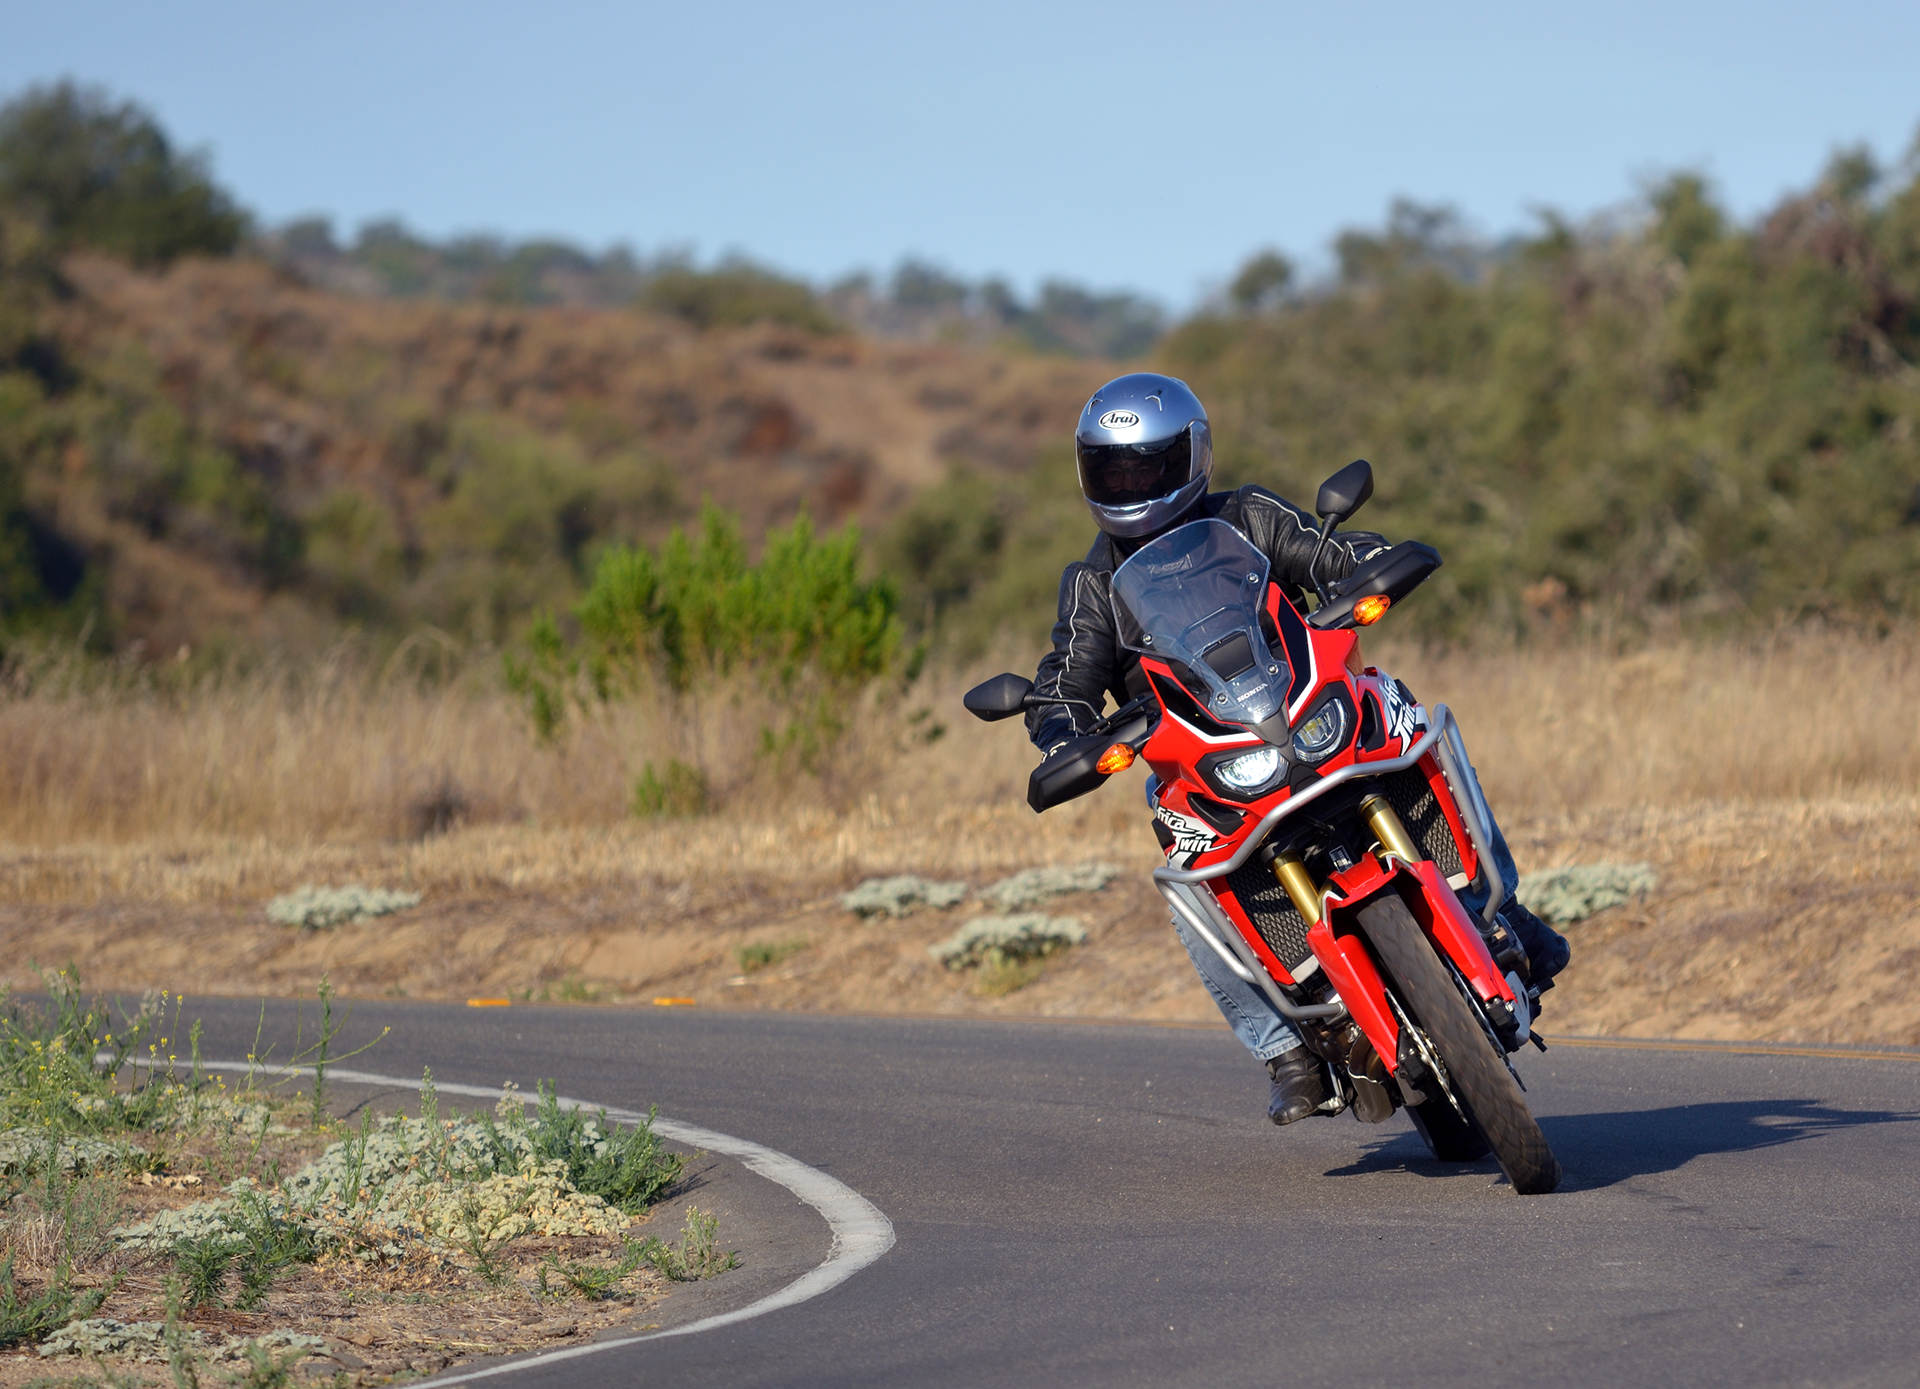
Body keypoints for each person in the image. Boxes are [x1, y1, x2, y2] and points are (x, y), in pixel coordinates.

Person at [1025, 372, 1570, 1126]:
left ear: (1190, 455)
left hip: (1303, 704)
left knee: (1411, 717)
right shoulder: (1092, 584)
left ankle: (1506, 910)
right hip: (1204, 757)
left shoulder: (1246, 515)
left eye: (1147, 464)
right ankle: (1282, 1043)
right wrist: (1063, 730)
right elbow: (1068, 678)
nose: (1131, 483)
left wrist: (1363, 566)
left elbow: (1323, 553)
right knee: (1185, 872)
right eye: (1113, 469)